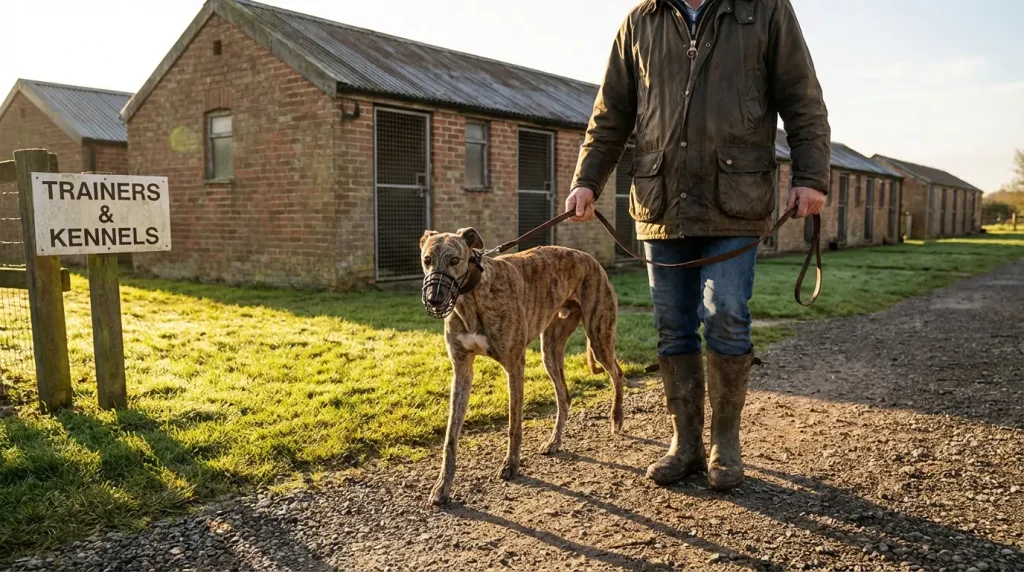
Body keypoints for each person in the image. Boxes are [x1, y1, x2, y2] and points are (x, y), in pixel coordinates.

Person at [567, 0, 830, 489]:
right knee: (673, 328)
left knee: (726, 314)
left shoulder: (765, 10)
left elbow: (802, 97)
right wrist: (587, 179)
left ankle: (724, 443)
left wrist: (811, 175)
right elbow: (612, 114)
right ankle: (684, 444)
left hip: (736, 198)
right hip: (661, 201)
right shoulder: (639, 23)